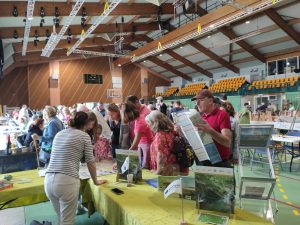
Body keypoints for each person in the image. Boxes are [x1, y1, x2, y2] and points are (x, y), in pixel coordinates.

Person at [44, 111, 107, 225]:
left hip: (48, 180)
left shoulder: (60, 134)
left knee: (61, 219)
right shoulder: (84, 136)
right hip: (66, 181)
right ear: (86, 124)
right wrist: (95, 181)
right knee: (67, 221)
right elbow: (90, 162)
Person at [191, 89, 232, 166]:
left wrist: (210, 131)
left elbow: (227, 142)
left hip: (219, 162)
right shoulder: (201, 117)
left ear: (210, 101)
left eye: (201, 100)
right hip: (203, 159)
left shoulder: (222, 115)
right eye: (196, 101)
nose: (197, 103)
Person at [146, 111, 187, 176]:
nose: (148, 125)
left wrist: (158, 172)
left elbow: (161, 156)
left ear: (155, 123)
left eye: (149, 123)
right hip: (174, 167)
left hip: (165, 170)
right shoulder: (171, 131)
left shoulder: (160, 135)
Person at [123, 100, 153, 168]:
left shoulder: (140, 122)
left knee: (145, 166)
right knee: (140, 164)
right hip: (142, 144)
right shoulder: (139, 118)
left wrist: (124, 157)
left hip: (147, 145)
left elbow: (134, 145)